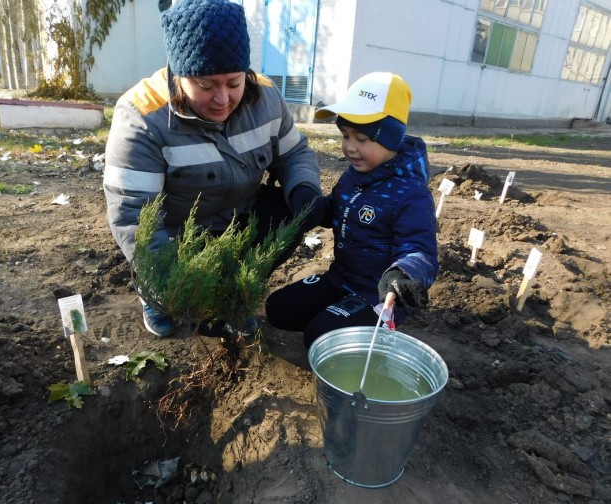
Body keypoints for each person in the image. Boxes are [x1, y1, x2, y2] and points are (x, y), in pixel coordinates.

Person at [103, 0, 323, 338]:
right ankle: (157, 297)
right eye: (206, 86)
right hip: (176, 238)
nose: (223, 98)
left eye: (234, 83)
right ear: (178, 75)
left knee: (293, 212)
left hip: (237, 220)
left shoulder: (265, 97)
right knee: (174, 291)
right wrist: (175, 287)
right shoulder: (141, 117)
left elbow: (295, 154)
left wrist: (304, 189)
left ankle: (234, 293)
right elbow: (135, 217)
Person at [265, 72, 439, 349]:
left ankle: (375, 326)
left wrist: (402, 276)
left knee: (320, 338)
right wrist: (311, 207)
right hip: (341, 279)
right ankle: (339, 315)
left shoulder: (411, 194)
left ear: (391, 140)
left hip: (380, 295)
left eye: (362, 138)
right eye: (345, 135)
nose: (350, 147)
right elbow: (336, 210)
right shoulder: (355, 175)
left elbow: (420, 250)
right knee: (278, 309)